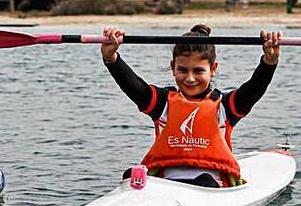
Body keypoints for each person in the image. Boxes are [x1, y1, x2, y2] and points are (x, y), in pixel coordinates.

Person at [101, 24, 282, 187]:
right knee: (129, 175)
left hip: (209, 188)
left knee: (205, 180)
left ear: (213, 69)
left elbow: (254, 88)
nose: (190, 78)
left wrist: (269, 63)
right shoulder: (163, 103)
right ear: (173, 67)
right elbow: (132, 85)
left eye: (198, 70)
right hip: (163, 186)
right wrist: (111, 58)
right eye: (182, 70)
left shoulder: (225, 107)